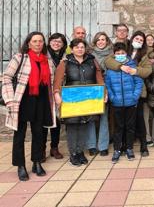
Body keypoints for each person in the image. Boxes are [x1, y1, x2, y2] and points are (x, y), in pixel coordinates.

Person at [2, 32, 56, 181]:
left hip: (41, 100)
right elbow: (6, 77)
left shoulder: (47, 59)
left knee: (39, 132)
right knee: (20, 134)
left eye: (41, 41)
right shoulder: (20, 57)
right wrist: (9, 99)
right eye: (35, 41)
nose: (38, 44)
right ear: (29, 43)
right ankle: (20, 165)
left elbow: (52, 79)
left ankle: (37, 162)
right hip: (23, 99)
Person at [53, 39, 104, 167]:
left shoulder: (92, 61)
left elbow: (99, 78)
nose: (80, 49)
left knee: (84, 125)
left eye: (82, 47)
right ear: (72, 49)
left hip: (88, 99)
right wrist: (56, 94)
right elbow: (58, 80)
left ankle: (80, 152)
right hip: (71, 100)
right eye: (77, 47)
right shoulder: (65, 62)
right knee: (72, 126)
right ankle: (73, 154)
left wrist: (104, 93)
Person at [105, 31, 153, 156]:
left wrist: (134, 70)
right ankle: (123, 145)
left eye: (141, 40)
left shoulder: (145, 55)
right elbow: (108, 61)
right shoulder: (124, 50)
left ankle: (143, 145)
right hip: (120, 95)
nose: (138, 41)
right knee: (122, 123)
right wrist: (120, 66)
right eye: (137, 38)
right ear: (131, 39)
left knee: (139, 120)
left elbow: (147, 71)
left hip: (136, 93)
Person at [105, 43, 143, 163]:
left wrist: (135, 96)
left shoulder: (132, 65)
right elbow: (108, 84)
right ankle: (117, 149)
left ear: (126, 53)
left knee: (130, 127)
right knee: (118, 127)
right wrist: (112, 97)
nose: (120, 55)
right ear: (114, 55)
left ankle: (129, 148)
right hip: (116, 103)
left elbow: (138, 82)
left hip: (130, 102)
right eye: (118, 54)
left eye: (122, 53)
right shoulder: (111, 69)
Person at [42, 33, 67, 162]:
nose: (56, 43)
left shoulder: (66, 57)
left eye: (60, 41)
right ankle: (41, 149)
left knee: (56, 122)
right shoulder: (43, 54)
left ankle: (54, 147)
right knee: (43, 122)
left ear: (63, 44)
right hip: (45, 92)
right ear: (49, 42)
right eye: (54, 41)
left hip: (60, 92)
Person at [86, 32, 112, 156]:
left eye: (103, 39)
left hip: (107, 86)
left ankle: (103, 146)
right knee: (91, 116)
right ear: (95, 42)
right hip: (92, 86)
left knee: (104, 116)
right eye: (98, 40)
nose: (101, 42)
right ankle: (91, 145)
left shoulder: (112, 54)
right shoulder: (89, 55)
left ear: (107, 41)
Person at [143, 33, 154, 146]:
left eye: (152, 39)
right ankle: (147, 137)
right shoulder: (142, 55)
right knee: (146, 114)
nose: (150, 41)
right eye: (148, 39)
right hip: (146, 86)